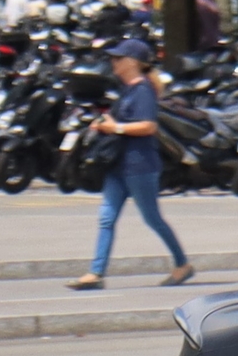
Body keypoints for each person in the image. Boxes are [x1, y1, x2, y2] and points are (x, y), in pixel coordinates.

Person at [67, 40, 190, 291]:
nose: (114, 63)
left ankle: (182, 264)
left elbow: (148, 126)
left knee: (152, 218)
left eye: (118, 59)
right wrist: (103, 123)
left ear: (132, 62)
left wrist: (115, 127)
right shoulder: (127, 89)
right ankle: (96, 273)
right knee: (106, 217)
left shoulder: (143, 90)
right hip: (118, 163)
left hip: (139, 165)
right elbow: (119, 119)